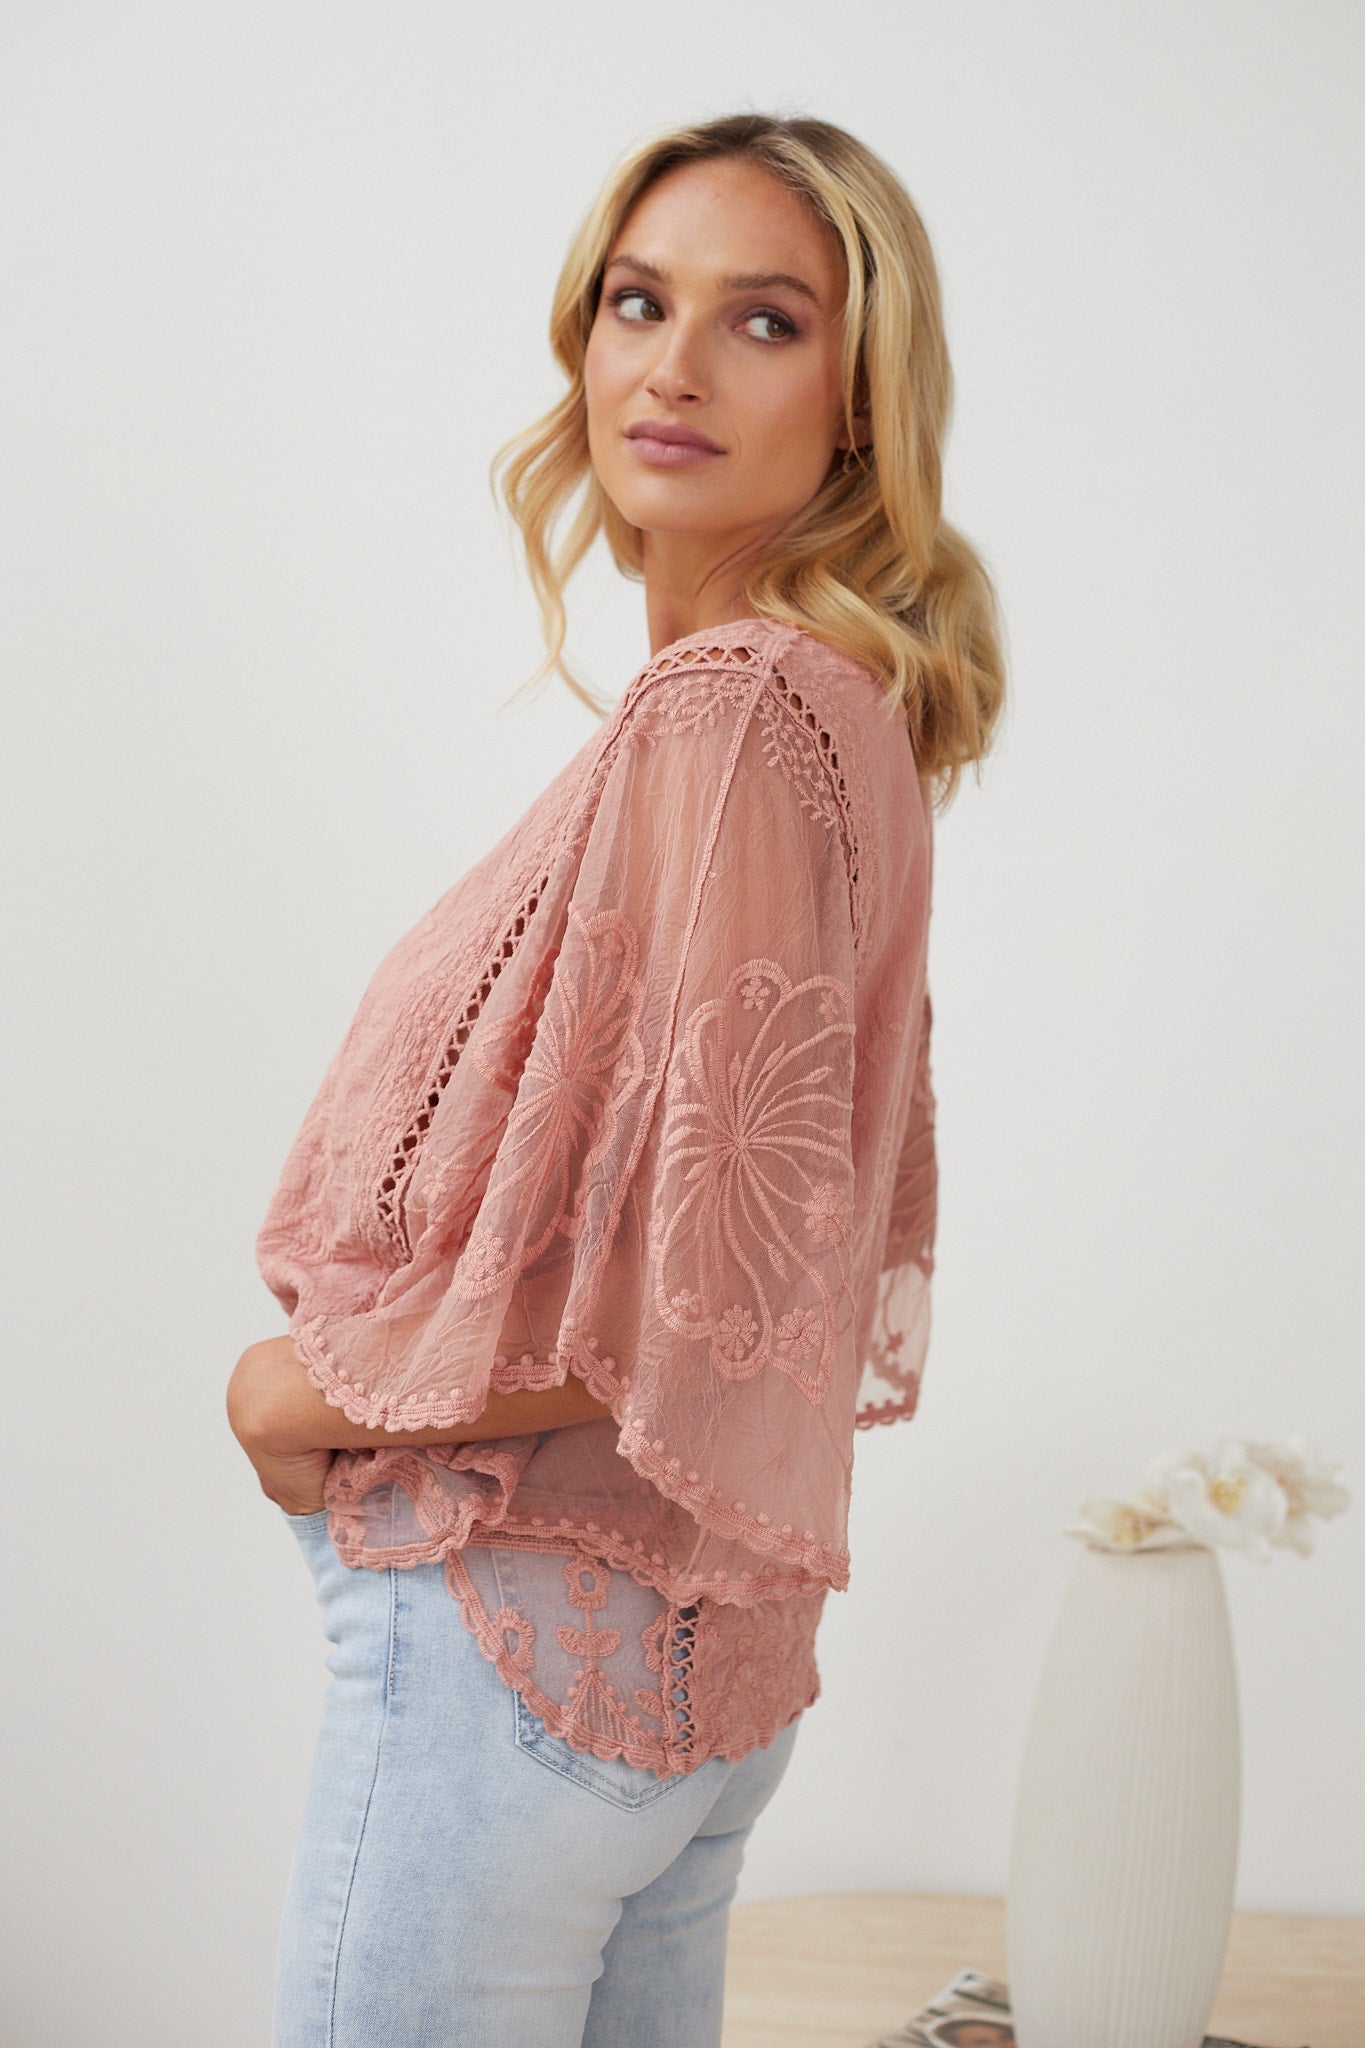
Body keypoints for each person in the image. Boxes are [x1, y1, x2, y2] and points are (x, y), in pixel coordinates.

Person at [227, 109, 1005, 2048]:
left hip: (519, 1649)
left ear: (857, 401)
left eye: (765, 321)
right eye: (640, 303)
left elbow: (710, 1290)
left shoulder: (731, 709)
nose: (673, 365)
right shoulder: (834, 711)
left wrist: (293, 1393)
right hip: (675, 1690)